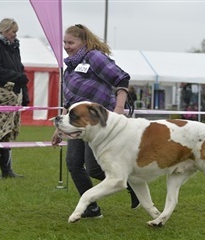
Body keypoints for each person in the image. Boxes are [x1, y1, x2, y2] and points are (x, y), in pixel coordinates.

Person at [51, 24, 139, 218]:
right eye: (64, 42)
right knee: (73, 164)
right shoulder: (70, 67)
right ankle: (91, 209)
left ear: (83, 41)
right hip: (78, 124)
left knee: (94, 168)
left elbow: (121, 79)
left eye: (71, 42)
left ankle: (133, 182)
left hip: (100, 122)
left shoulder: (94, 57)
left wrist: (119, 109)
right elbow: (70, 102)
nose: (66, 45)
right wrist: (59, 129)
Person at [0, 18, 29, 178]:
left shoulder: (15, 46)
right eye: (13, 31)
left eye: (16, 32)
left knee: (9, 131)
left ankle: (8, 170)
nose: (15, 35)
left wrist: (24, 92)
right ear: (4, 30)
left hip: (14, 93)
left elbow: (20, 68)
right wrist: (16, 77)